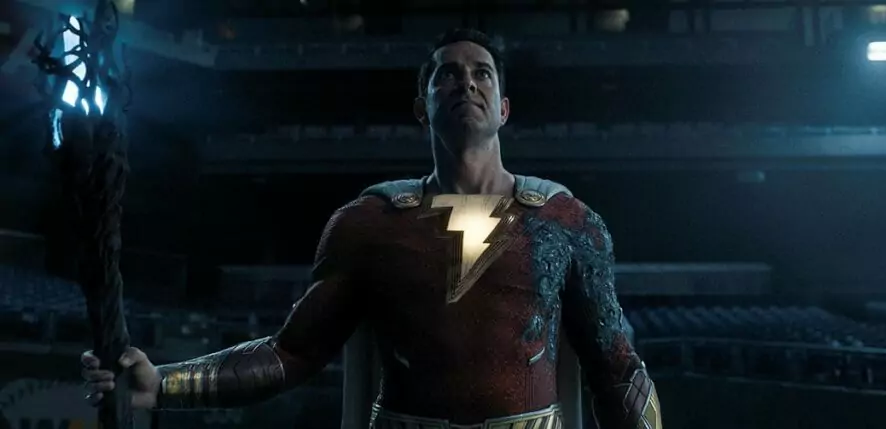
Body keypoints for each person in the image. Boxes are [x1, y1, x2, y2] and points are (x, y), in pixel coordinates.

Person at [81, 28, 662, 429]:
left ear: (504, 107)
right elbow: (292, 352)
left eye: (482, 74)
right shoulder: (370, 224)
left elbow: (616, 370)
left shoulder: (564, 220)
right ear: (421, 105)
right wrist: (163, 384)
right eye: (448, 74)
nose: (466, 83)